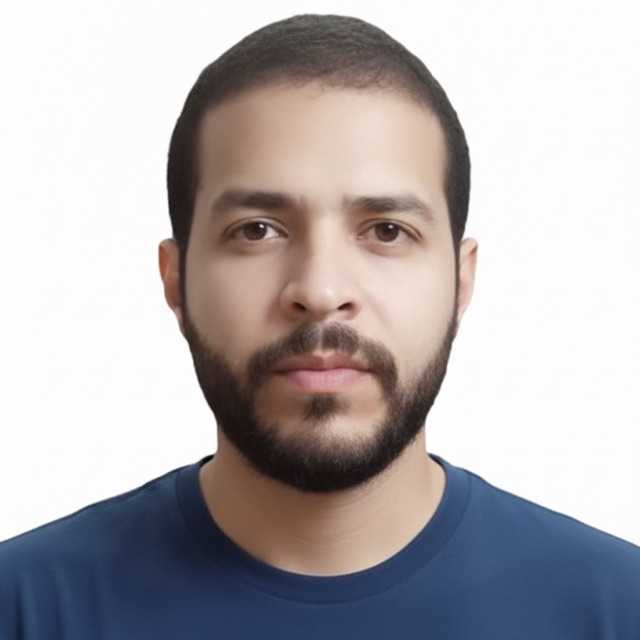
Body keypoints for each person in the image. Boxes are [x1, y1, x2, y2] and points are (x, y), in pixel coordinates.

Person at [1, 13, 638, 639]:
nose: (321, 291)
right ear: (175, 280)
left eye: (387, 230)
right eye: (257, 230)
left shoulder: (617, 611)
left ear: (461, 280)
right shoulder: (23, 609)